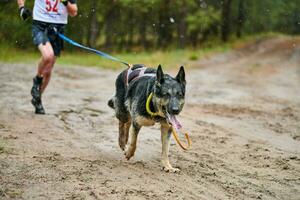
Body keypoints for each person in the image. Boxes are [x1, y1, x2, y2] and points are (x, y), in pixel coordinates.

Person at [17, 0, 78, 114]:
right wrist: (21, 8)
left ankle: (37, 98)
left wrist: (65, 2)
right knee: (48, 56)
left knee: (48, 70)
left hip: (58, 29)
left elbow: (74, 12)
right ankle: (37, 81)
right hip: (40, 25)